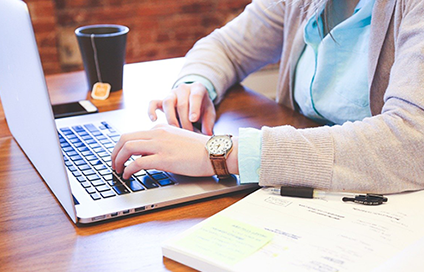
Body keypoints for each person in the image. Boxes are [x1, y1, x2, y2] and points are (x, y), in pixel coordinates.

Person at [111, 0, 424, 194]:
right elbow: (226, 46)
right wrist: (196, 85)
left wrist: (221, 154)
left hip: (387, 202)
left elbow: (411, 142)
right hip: (305, 189)